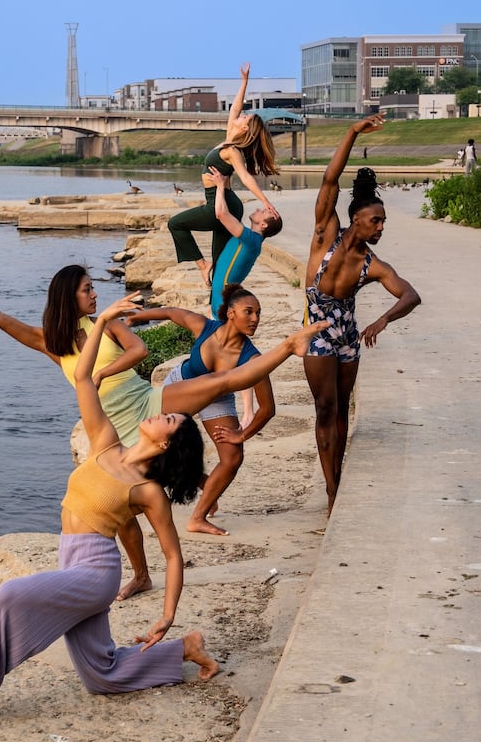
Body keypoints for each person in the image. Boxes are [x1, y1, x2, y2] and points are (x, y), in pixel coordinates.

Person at [0, 267, 327, 592]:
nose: (95, 295)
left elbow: (139, 350)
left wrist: (102, 371)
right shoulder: (51, 343)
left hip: (147, 403)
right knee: (125, 511)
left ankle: (289, 346)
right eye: (87, 290)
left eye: (94, 288)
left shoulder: (108, 322)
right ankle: (142, 575)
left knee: (220, 383)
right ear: (67, 297)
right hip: (114, 431)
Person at [0, 294, 219, 730]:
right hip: (69, 559)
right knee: (101, 674)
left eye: (168, 418)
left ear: (166, 443)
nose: (160, 413)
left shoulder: (149, 491)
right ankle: (186, 650)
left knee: (7, 595)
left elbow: (172, 554)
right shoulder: (105, 441)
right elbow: (82, 380)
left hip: (95, 573)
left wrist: (166, 615)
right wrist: (102, 322)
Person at [303, 115, 421, 515]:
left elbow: (410, 293)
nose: (381, 227)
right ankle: (332, 488)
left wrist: (383, 319)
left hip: (348, 337)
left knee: (342, 408)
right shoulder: (324, 233)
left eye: (384, 222)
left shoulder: (372, 265)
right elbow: (330, 182)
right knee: (325, 407)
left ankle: (337, 480)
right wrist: (352, 132)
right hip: (317, 333)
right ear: (357, 219)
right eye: (377, 220)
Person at [128, 285, 275, 536]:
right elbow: (172, 313)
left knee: (233, 458)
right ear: (230, 313)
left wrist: (241, 434)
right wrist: (132, 318)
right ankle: (202, 483)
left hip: (217, 400)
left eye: (258, 313)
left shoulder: (252, 359)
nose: (255, 319)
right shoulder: (205, 328)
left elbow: (268, 408)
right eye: (248, 312)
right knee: (161, 446)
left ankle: (199, 517)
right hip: (182, 386)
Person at [167, 63, 279, 287]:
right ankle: (217, 309)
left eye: (245, 118)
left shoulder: (232, 151)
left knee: (175, 224)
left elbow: (246, 177)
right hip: (223, 201)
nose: (241, 116)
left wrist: (265, 200)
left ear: (246, 129)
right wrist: (244, 83)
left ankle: (202, 265)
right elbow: (234, 110)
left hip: (219, 203)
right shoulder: (230, 138)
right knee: (220, 264)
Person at [207, 164, 283, 319]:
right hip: (220, 301)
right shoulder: (250, 239)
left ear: (263, 225)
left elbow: (221, 214)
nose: (258, 210)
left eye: (263, 212)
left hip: (223, 303)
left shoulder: (251, 240)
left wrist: (220, 186)